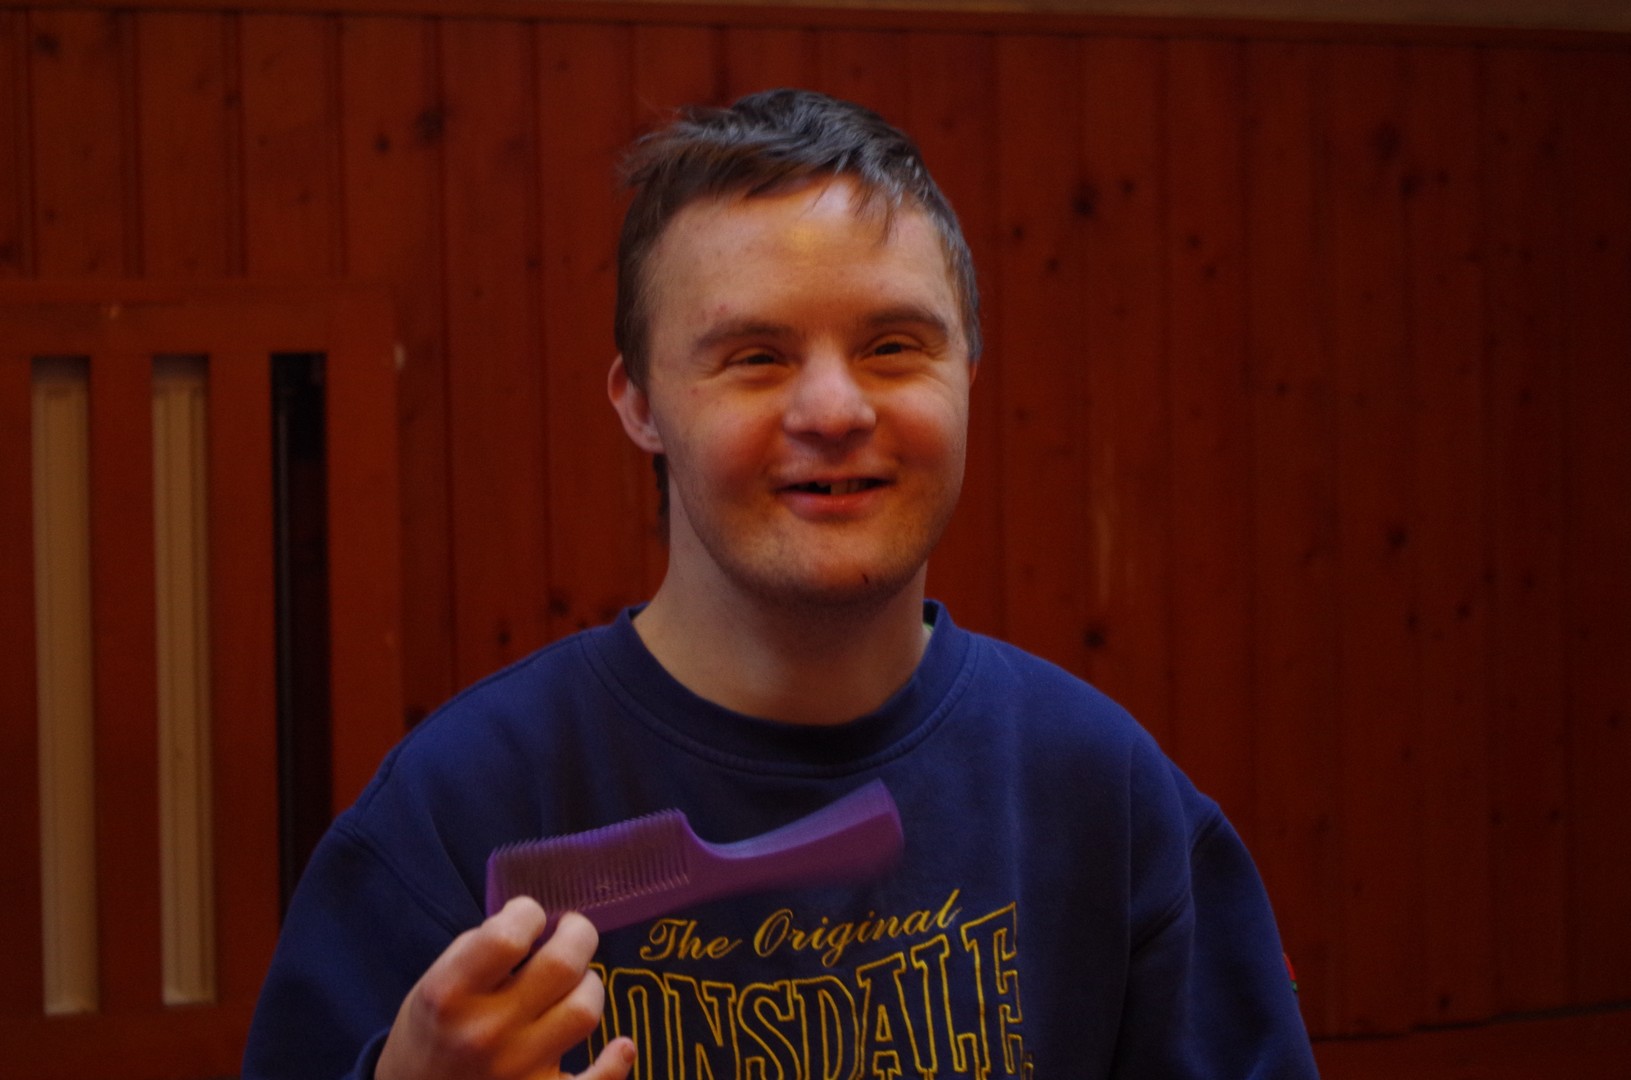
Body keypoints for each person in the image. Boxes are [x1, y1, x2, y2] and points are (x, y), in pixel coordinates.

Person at [243, 88, 1319, 1079]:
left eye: (892, 346)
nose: (833, 411)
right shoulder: (450, 812)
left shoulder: (1105, 799)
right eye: (755, 357)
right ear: (639, 404)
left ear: (966, 377)